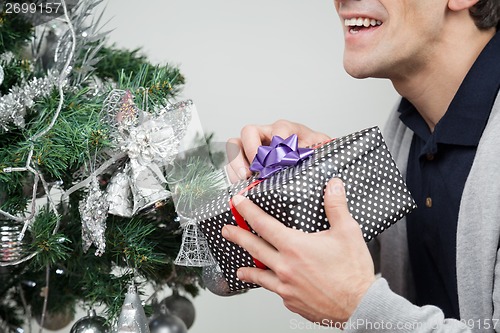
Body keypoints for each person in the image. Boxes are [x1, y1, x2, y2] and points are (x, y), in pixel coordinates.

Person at [221, 0, 500, 331]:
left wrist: (358, 305)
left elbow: (352, 293)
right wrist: (297, 189)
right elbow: (231, 272)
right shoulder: (406, 130)